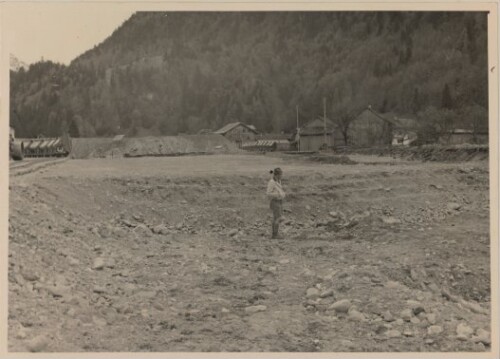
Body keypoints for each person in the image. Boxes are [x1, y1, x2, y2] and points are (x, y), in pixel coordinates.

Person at [266, 167, 286, 239]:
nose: (281, 176)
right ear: (277, 175)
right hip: (275, 201)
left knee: (276, 218)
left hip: (279, 201)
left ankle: (275, 234)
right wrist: (278, 195)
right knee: (277, 218)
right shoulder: (272, 182)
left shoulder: (278, 181)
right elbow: (268, 193)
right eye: (280, 175)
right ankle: (275, 235)